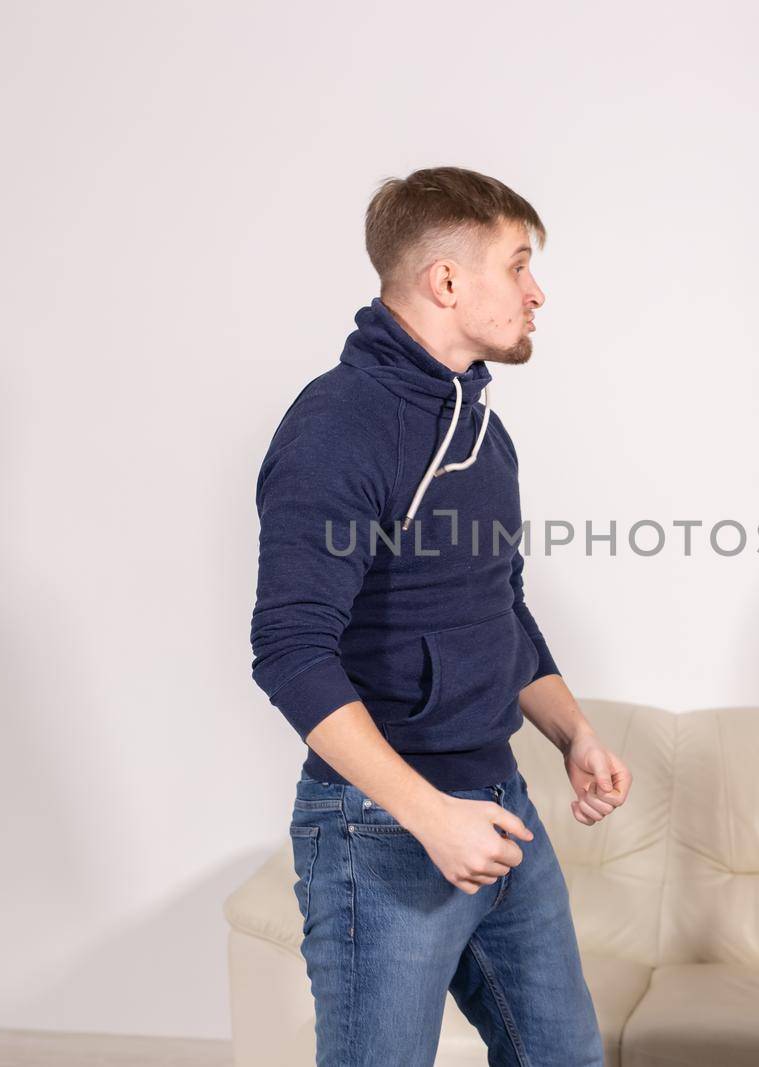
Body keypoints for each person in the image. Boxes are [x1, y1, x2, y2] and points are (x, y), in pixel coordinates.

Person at [249, 166, 630, 1065]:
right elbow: (288, 650)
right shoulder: (339, 423)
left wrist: (571, 731)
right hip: (382, 828)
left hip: (500, 809)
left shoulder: (482, 430)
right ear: (447, 281)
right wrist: (429, 814)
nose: (538, 293)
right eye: (519, 265)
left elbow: (501, 605)